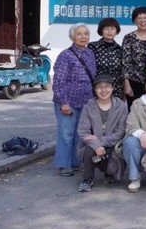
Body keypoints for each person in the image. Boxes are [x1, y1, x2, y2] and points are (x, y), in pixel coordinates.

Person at [52, 24, 97, 176]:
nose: (83, 37)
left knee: (80, 134)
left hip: (85, 101)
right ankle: (64, 164)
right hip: (68, 102)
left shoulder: (90, 53)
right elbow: (59, 81)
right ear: (72, 37)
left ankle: (76, 162)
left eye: (86, 33)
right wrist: (63, 102)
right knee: (66, 134)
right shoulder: (65, 55)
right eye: (79, 34)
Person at [76, 74, 128, 192]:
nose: (103, 90)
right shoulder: (89, 106)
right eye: (99, 87)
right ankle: (87, 179)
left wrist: (100, 141)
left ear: (113, 88)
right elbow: (83, 131)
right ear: (95, 89)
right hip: (92, 146)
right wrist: (96, 145)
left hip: (113, 145)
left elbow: (121, 131)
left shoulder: (120, 106)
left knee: (112, 168)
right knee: (89, 150)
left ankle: (108, 173)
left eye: (107, 86)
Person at [122, 6, 146, 106]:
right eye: (139, 18)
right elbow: (125, 62)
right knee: (135, 110)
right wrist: (126, 83)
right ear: (134, 21)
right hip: (135, 82)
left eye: (145, 17)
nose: (142, 21)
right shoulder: (129, 38)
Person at [89, 17, 124, 100]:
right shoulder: (93, 47)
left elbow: (123, 70)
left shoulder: (120, 49)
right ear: (101, 31)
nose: (109, 31)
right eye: (106, 29)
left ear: (116, 31)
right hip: (98, 89)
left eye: (112, 29)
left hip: (116, 89)